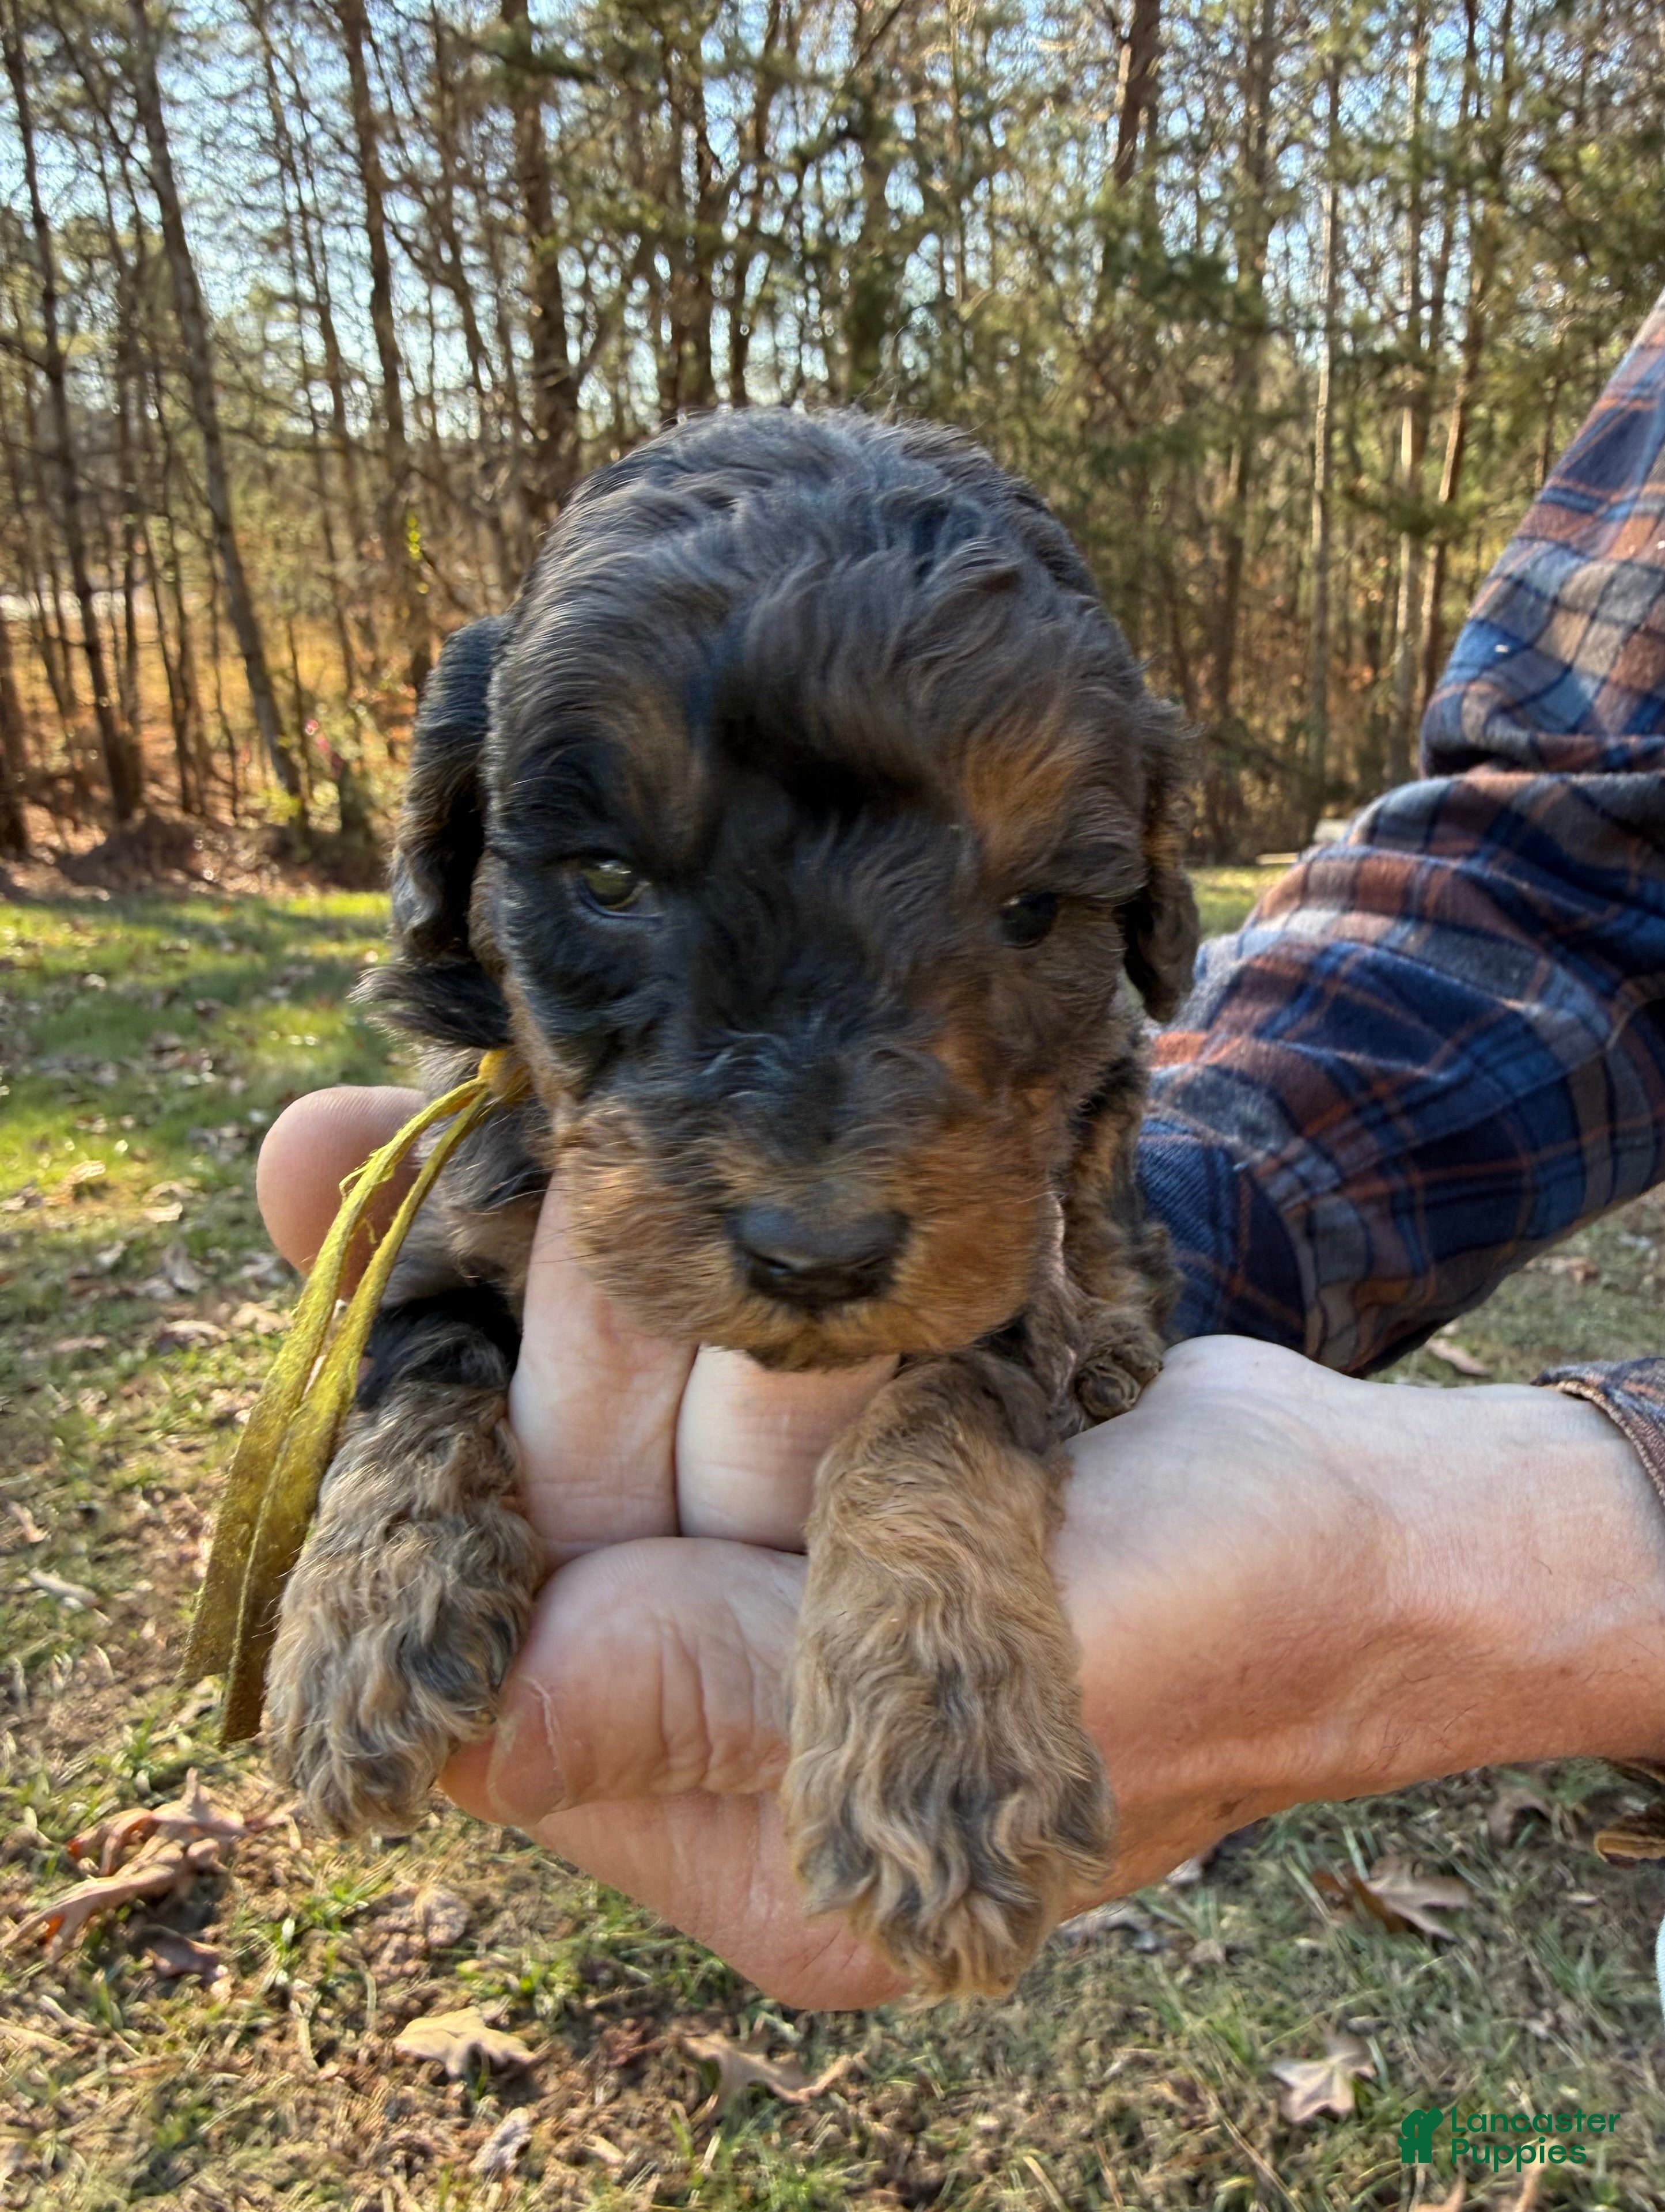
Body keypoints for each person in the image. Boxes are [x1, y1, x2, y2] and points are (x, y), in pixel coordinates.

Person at [256, 294, 1665, 2010]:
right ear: (460, 857)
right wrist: (413, 1462)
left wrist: (1524, 1538)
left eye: (1020, 911)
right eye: (616, 884)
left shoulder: (1077, 1062)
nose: (821, 1190)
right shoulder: (495, 1096)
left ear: (1135, 894)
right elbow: (1569, 869)